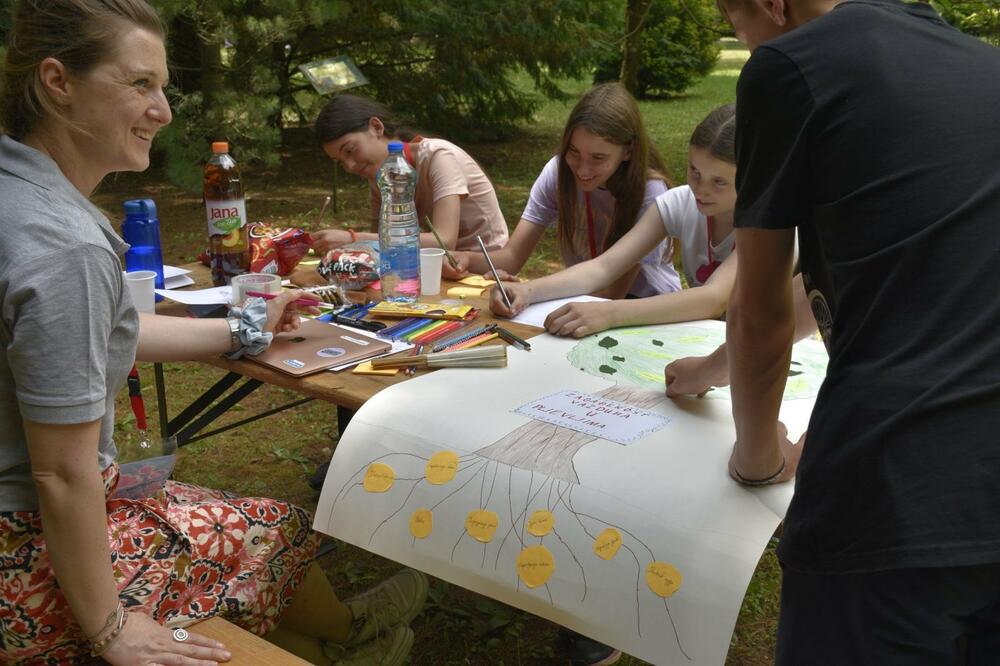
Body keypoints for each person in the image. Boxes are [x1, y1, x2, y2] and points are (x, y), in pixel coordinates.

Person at [0, 2, 427, 664]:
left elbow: (108, 333)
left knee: (235, 536)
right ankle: (350, 638)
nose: (164, 110)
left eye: (162, 86)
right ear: (58, 83)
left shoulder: (17, 194)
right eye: (140, 84)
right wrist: (110, 629)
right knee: (276, 528)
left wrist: (247, 324)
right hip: (21, 556)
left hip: (32, 523)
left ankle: (335, 637)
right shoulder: (65, 245)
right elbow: (60, 473)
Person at [706, 0, 1000, 663]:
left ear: (773, 7)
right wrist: (708, 367)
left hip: (899, 493)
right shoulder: (982, 68)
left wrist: (757, 459)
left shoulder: (787, 67)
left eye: (735, 21)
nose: (742, 40)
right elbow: (904, 271)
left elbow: (760, 312)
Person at [490, 104, 740, 338]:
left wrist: (609, 313)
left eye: (719, 182)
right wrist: (528, 291)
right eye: (694, 171)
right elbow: (603, 268)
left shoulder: (765, 225)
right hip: (713, 343)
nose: (701, 189)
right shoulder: (679, 203)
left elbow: (714, 298)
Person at [458, 82, 681, 301]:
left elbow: (612, 292)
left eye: (598, 158)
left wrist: (532, 291)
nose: (582, 169)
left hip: (643, 307)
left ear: (628, 151)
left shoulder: (650, 192)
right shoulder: (558, 173)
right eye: (574, 151)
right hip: (580, 296)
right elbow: (512, 256)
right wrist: (464, 259)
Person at [310, 94, 509, 264]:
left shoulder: (438, 156)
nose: (350, 166)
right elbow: (382, 244)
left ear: (376, 127)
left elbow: (444, 241)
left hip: (486, 267)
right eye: (340, 162)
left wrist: (353, 239)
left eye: (351, 150)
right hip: (435, 265)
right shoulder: (381, 176)